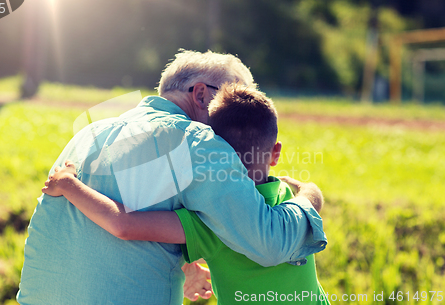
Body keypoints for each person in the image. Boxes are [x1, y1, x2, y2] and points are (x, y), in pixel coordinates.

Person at [17, 50, 327, 305]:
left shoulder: (89, 134)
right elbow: (271, 242)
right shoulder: (199, 142)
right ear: (201, 93)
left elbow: (140, 204)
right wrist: (310, 195)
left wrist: (186, 263)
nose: (232, 117)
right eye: (229, 100)